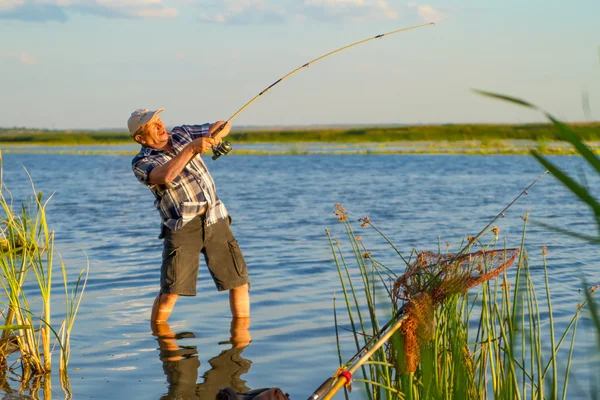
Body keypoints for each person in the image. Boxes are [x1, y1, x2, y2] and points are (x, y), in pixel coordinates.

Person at [128, 108, 250, 327]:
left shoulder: (182, 133)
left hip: (216, 217)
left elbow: (223, 124)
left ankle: (240, 342)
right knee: (171, 292)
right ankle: (160, 337)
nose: (159, 126)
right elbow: (165, 175)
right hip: (182, 226)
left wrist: (213, 136)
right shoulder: (141, 162)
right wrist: (192, 148)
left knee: (239, 282)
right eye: (151, 125)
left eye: (159, 120)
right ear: (140, 137)